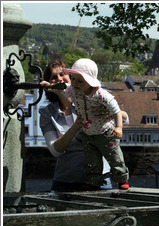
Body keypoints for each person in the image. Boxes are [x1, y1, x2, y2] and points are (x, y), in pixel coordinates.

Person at [41, 58, 129, 190]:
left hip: (102, 179)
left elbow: (125, 119)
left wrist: (108, 113)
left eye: (62, 74)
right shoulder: (47, 113)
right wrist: (77, 125)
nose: (59, 79)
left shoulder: (93, 95)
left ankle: (119, 177)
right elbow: (55, 150)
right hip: (66, 180)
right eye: (53, 77)